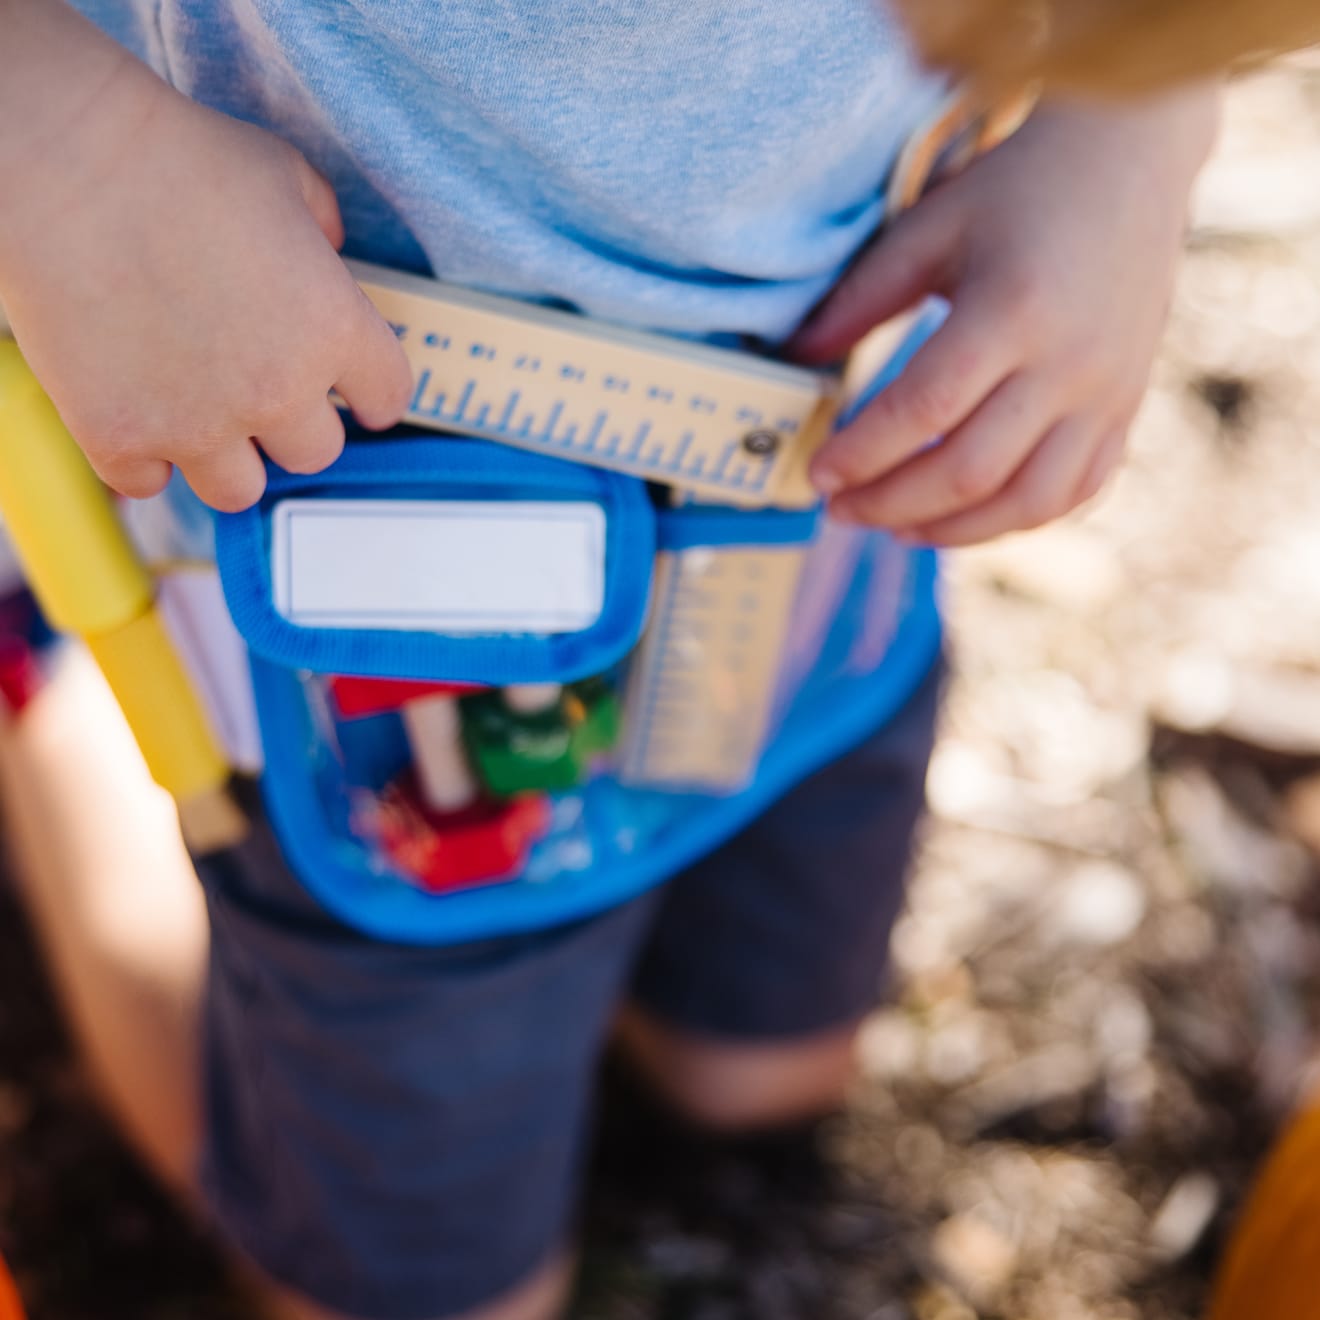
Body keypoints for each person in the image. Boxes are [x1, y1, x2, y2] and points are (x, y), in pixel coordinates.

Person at [0, 2, 1228, 1318]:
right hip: (361, 679)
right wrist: (50, 135)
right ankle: (50, 673)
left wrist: (1134, 132)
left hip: (815, 585)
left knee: (754, 1089)